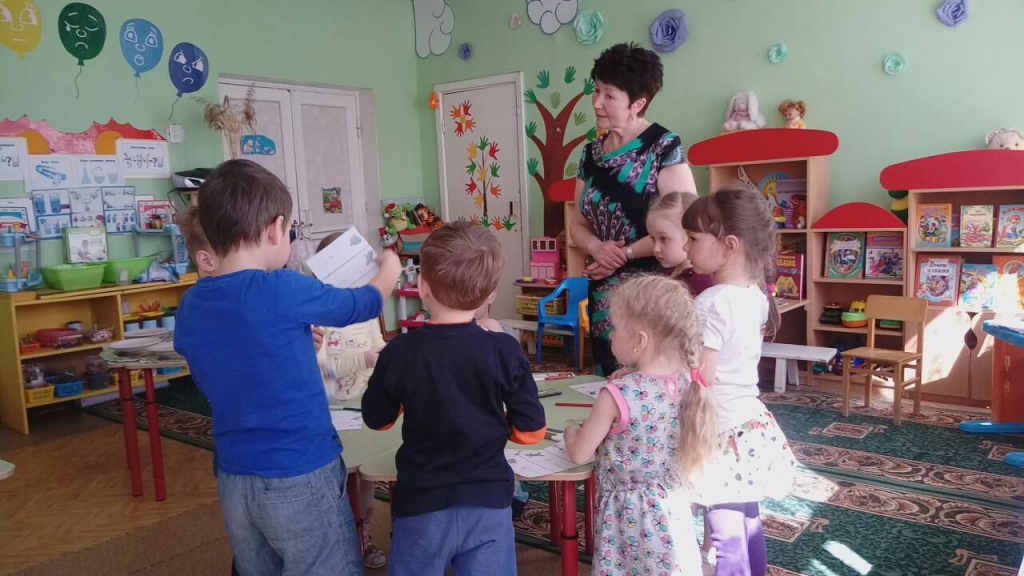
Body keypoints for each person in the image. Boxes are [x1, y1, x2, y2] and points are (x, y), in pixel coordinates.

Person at [174, 159, 402, 576]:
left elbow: (218, 368)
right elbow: (362, 304)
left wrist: (294, 345)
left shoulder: (192, 303)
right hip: (300, 469)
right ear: (276, 229)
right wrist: (390, 269)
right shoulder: (283, 286)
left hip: (235, 477)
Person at [362, 221, 547, 575]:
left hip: (422, 503)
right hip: (489, 502)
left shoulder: (400, 352)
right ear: (490, 294)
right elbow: (532, 431)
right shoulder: (504, 350)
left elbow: (377, 420)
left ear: (422, 286)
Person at [563, 274, 717, 575]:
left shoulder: (617, 394)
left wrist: (571, 432)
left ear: (640, 340)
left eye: (615, 327)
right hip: (674, 512)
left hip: (628, 521)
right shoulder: (687, 384)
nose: (609, 335)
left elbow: (580, 454)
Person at [682, 186, 798, 576]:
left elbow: (702, 375)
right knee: (748, 523)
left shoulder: (712, 301)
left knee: (725, 536)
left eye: (693, 238)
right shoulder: (754, 295)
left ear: (729, 245)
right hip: (748, 424)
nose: (686, 247)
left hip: (719, 431)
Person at [569, 41, 698, 376]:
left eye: (609, 95)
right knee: (609, 383)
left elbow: (684, 223)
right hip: (605, 294)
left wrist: (623, 254)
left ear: (637, 104)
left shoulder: (663, 146)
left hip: (653, 293)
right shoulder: (589, 154)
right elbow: (577, 222)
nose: (597, 102)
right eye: (596, 90)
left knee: (650, 382)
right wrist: (596, 247)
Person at [313, 232, 389, 569]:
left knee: (365, 479)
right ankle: (338, 544)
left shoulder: (367, 312)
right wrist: (364, 359)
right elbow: (321, 369)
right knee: (337, 481)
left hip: (364, 407)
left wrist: (387, 357)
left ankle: (364, 536)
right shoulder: (319, 315)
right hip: (332, 411)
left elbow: (379, 345)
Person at [647, 191, 715, 296]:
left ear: (689, 235)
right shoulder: (669, 274)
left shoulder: (701, 280)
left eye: (663, 239)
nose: (656, 248)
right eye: (653, 239)